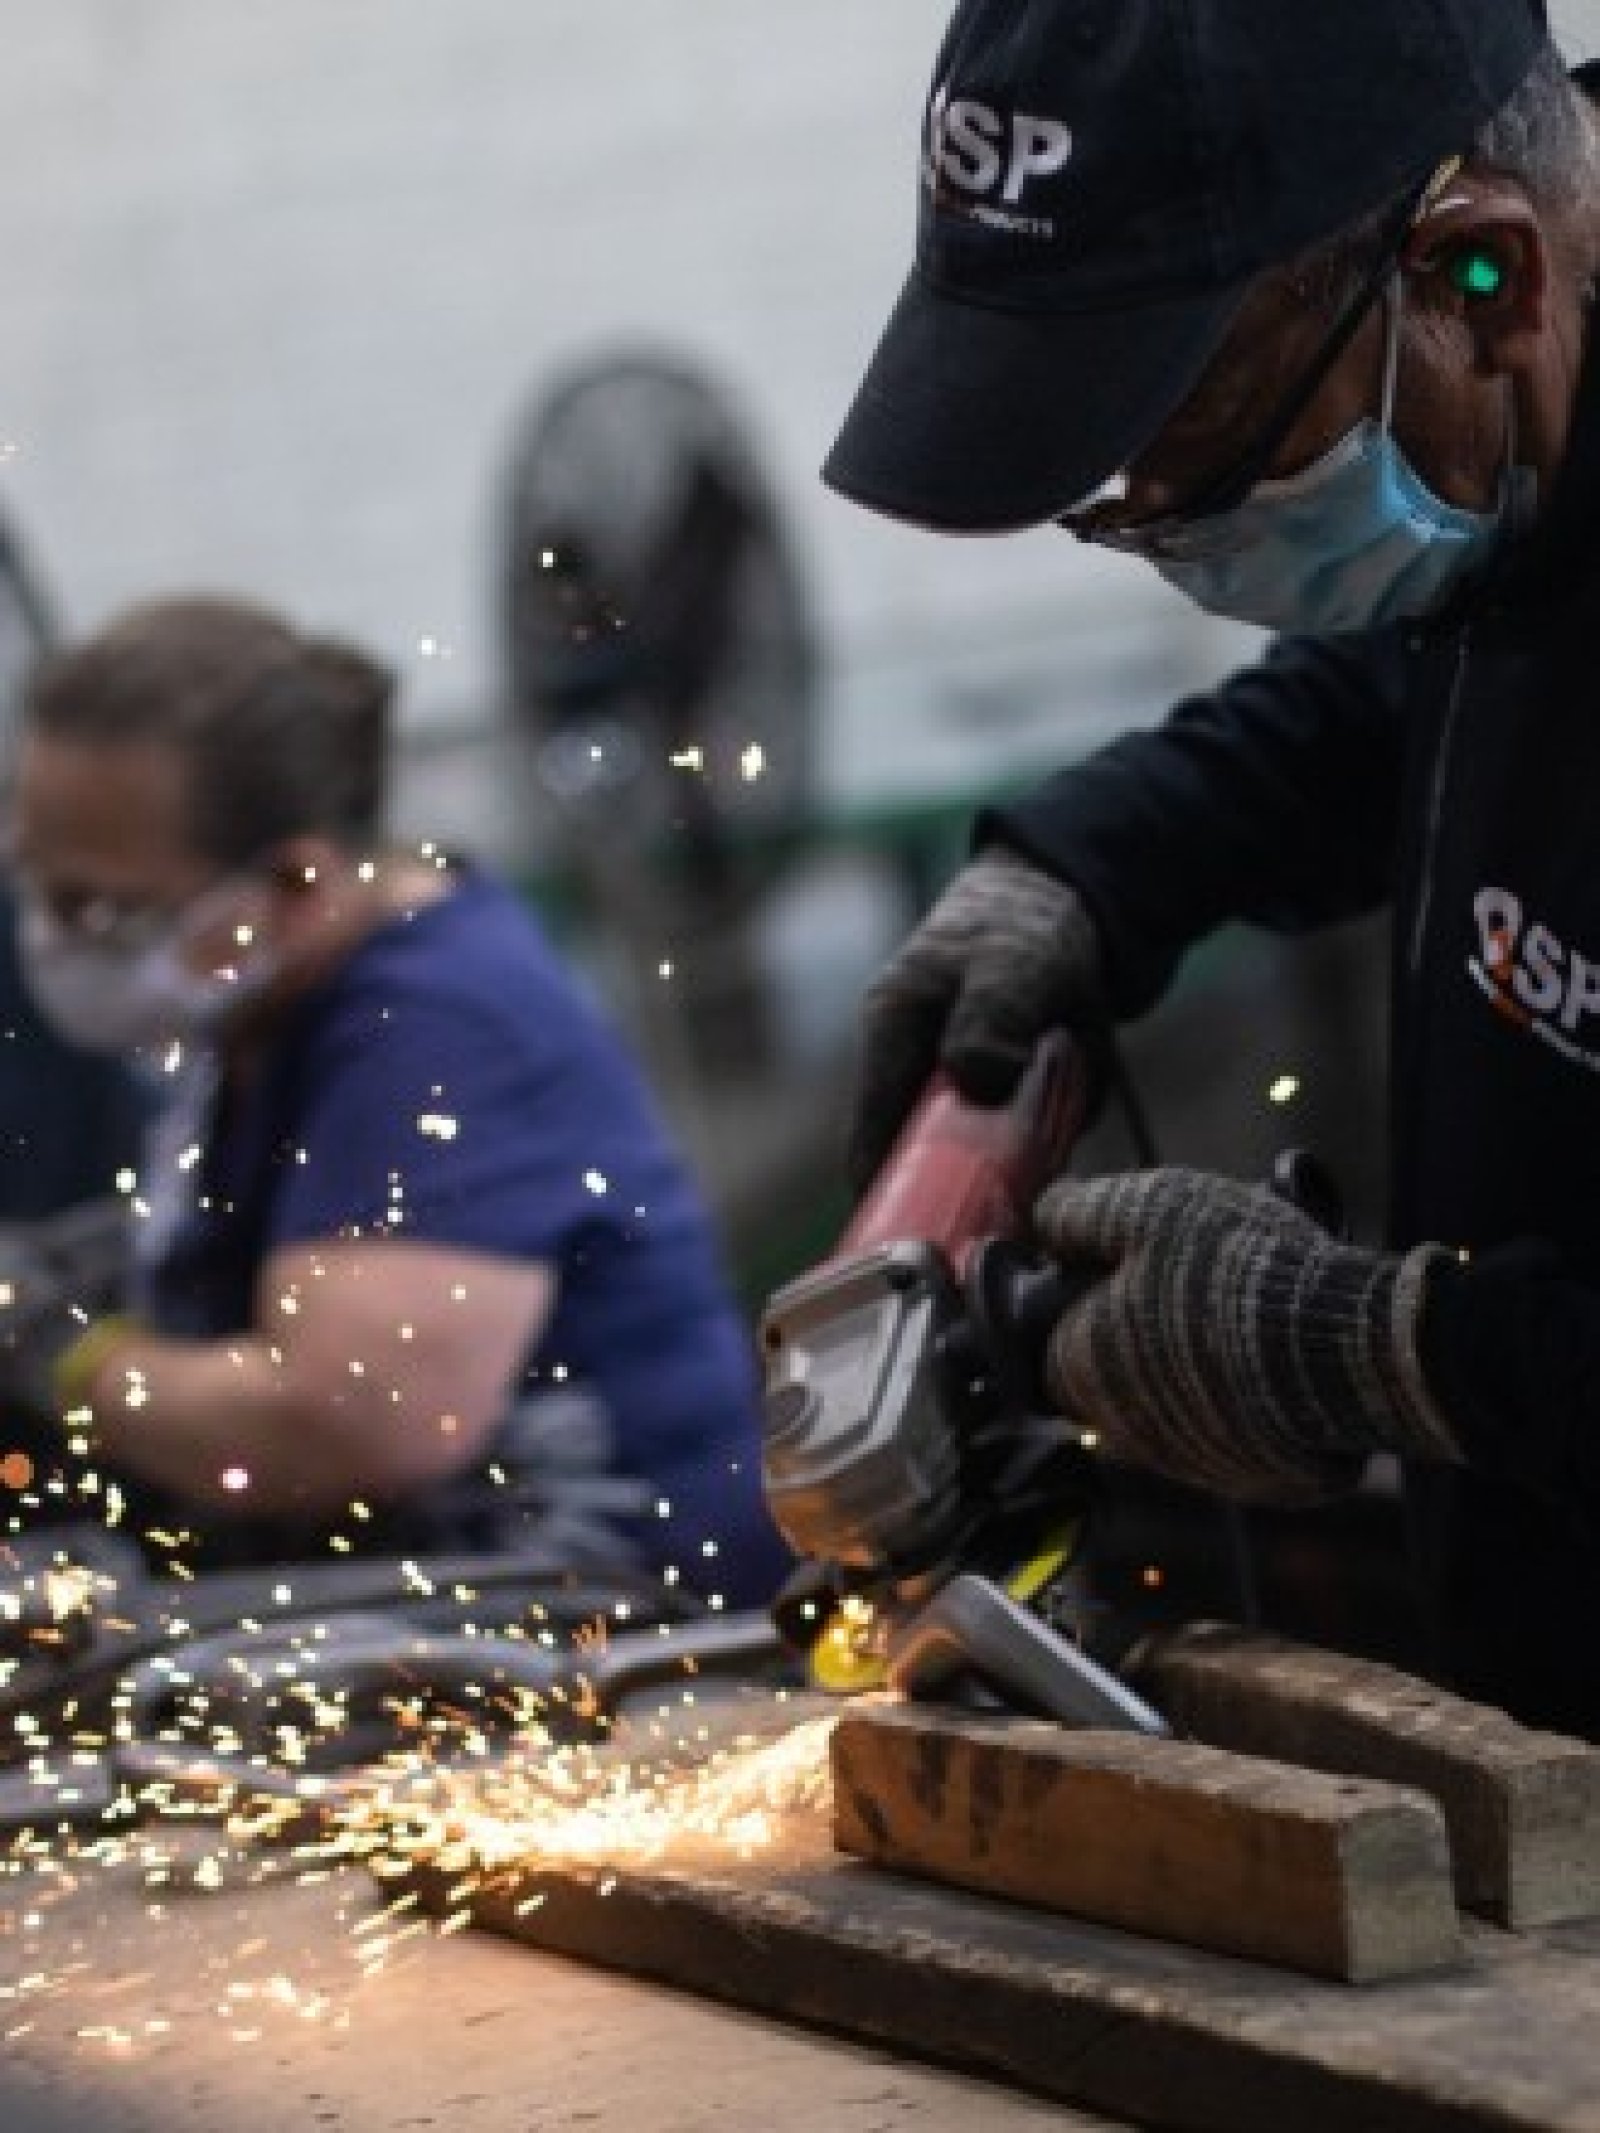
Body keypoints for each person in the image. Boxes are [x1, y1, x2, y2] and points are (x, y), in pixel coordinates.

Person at [823, 0, 1600, 1734]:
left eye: (1199, 426)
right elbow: (1402, 694)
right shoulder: (1527, 434)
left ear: (1482, 276)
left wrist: (1393, 1349)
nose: (1160, 503)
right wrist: (1090, 873)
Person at [1, 594, 788, 1605]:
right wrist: (115, 1263)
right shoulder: (264, 996)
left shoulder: (442, 1031)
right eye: (36, 884)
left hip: (632, 1618)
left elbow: (350, 1422)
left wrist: (60, 1354)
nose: (51, 938)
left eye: (99, 909)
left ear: (295, 883)